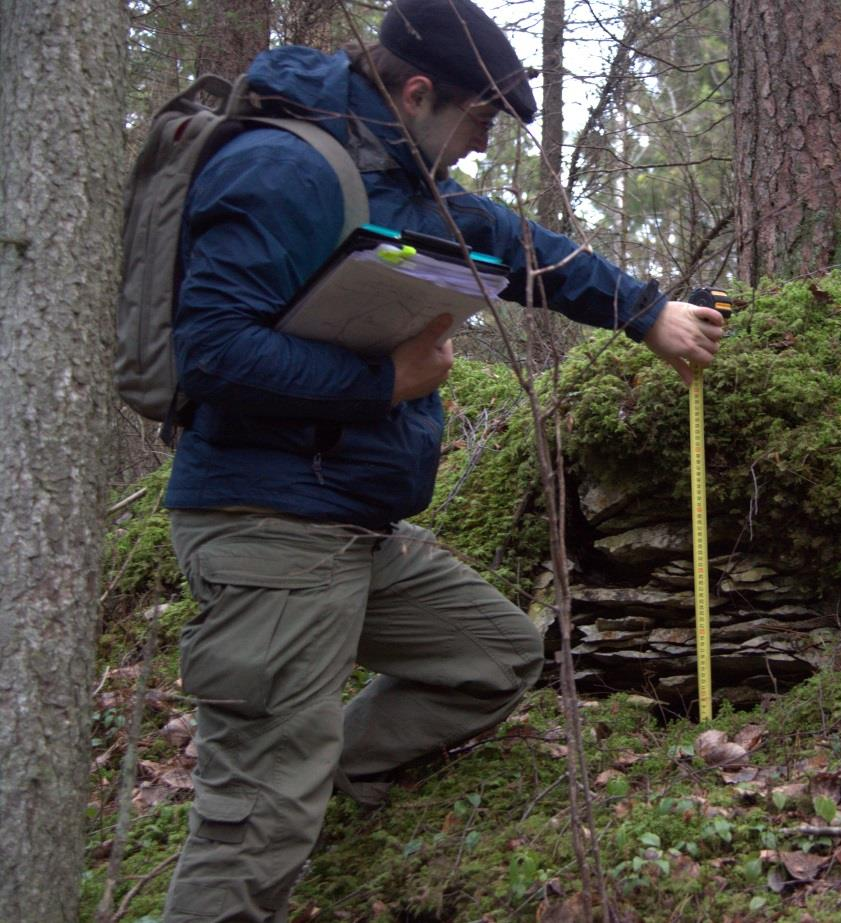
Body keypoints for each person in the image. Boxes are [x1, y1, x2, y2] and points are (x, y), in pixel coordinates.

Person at [159, 1, 724, 919]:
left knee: (495, 654)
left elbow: (520, 248)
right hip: (265, 526)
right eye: (480, 120)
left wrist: (646, 311)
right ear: (419, 93)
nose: (482, 143)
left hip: (351, 528)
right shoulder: (281, 168)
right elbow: (211, 349)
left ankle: (311, 773)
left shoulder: (401, 179)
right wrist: (381, 382)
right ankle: (280, 789)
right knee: (253, 823)